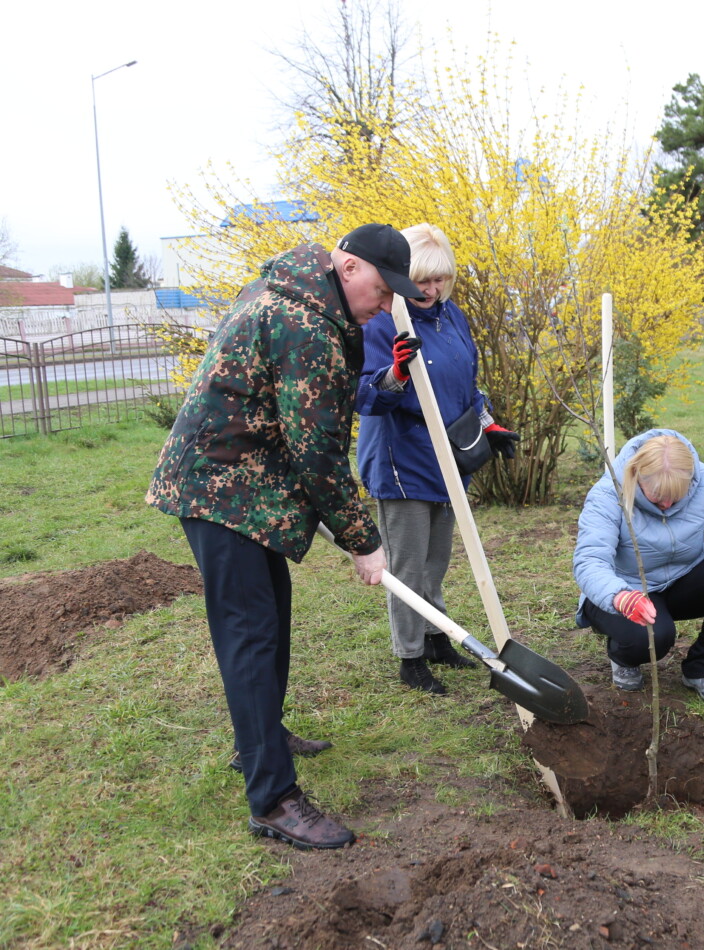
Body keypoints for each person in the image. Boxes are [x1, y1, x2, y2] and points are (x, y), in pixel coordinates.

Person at [146, 223, 420, 850]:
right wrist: (363, 541)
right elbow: (317, 450)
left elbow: (310, 403)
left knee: (272, 615)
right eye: (380, 292)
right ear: (348, 268)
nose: (382, 306)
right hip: (221, 488)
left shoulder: (296, 293)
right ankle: (272, 796)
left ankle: (261, 734)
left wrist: (382, 384)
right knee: (250, 633)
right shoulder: (307, 324)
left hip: (246, 486)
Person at [355, 223, 520, 695]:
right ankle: (410, 659)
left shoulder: (454, 318)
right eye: (422, 280)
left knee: (436, 560)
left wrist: (489, 425)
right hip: (401, 459)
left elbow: (467, 385)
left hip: (449, 457)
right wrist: (396, 371)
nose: (430, 290)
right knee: (407, 567)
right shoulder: (383, 320)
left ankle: (435, 637)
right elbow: (366, 396)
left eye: (439, 280)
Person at [573, 430, 704, 703]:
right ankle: (623, 656)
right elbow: (590, 560)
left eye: (676, 497)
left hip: (683, 577)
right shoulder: (608, 494)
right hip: (626, 588)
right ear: (637, 478)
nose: (666, 504)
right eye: (657, 496)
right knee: (652, 638)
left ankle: (701, 668)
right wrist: (619, 596)